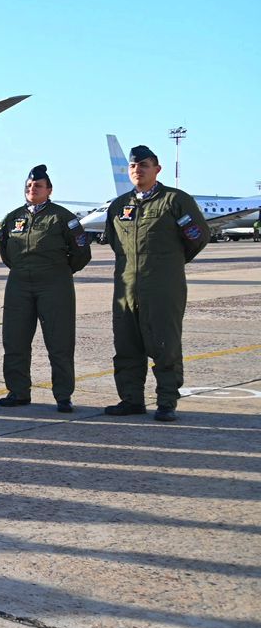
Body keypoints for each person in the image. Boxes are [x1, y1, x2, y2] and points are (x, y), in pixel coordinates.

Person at [103, 144, 210, 421]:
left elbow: (197, 237)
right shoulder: (118, 206)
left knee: (164, 343)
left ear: (157, 169)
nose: (138, 170)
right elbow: (116, 244)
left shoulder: (175, 200)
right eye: (133, 166)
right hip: (126, 287)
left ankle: (166, 401)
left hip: (163, 286)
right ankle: (131, 400)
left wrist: (167, 265)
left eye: (144, 165)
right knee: (126, 345)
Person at [0, 165, 92, 412]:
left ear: (49, 190)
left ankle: (63, 395)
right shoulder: (12, 218)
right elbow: (6, 251)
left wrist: (59, 271)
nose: (32, 189)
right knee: (14, 340)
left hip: (54, 285)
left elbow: (81, 252)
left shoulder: (62, 217)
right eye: (29, 186)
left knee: (59, 342)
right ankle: (17, 391)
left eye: (38, 186)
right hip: (19, 284)